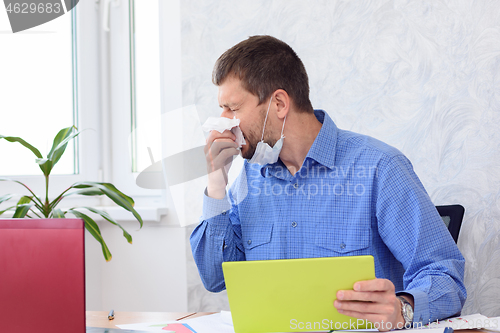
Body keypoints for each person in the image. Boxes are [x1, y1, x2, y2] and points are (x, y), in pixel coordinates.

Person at [190, 35, 466, 330]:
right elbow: (214, 278)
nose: (222, 123)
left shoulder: (379, 168)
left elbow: (443, 274)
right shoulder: (248, 178)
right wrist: (216, 184)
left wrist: (402, 308)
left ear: (279, 103)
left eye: (232, 109)